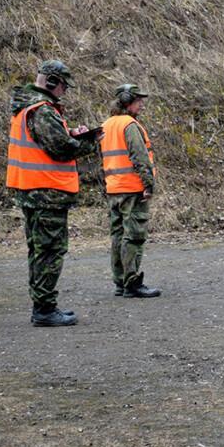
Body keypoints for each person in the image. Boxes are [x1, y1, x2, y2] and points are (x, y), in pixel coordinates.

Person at [6, 60, 100, 326]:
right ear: (51, 83)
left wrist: (69, 133)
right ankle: (44, 309)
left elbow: (47, 141)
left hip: (32, 190)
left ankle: (43, 305)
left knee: (39, 250)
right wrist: (88, 142)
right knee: (49, 250)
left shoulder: (27, 106)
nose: (64, 92)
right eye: (62, 86)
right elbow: (60, 148)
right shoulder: (42, 110)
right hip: (47, 192)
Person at [101, 84, 162, 298]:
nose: (141, 105)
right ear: (127, 102)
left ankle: (120, 281)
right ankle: (132, 283)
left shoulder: (107, 125)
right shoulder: (130, 125)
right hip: (132, 188)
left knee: (118, 235)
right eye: (138, 101)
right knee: (134, 236)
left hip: (114, 189)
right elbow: (140, 157)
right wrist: (148, 184)